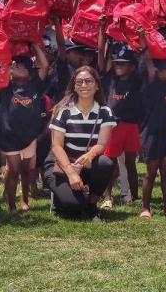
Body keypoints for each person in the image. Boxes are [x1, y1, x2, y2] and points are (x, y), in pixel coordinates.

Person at [46, 66, 116, 221]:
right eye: (79, 82)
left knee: (105, 163)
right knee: (73, 206)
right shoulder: (64, 111)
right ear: (74, 86)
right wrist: (71, 174)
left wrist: (90, 155)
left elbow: (102, 144)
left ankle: (92, 205)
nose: (84, 85)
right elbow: (56, 146)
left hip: (85, 163)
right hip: (61, 164)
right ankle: (62, 198)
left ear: (97, 85)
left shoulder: (105, 112)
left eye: (89, 81)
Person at [0, 44, 49, 213]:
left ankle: (25, 200)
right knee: (13, 172)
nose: (16, 68)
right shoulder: (5, 87)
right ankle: (12, 205)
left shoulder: (35, 86)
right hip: (9, 137)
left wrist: (33, 43)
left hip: (29, 137)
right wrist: (7, 65)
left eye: (21, 66)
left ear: (30, 73)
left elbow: (45, 66)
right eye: (14, 66)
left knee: (27, 171)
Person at [98, 31, 143, 207]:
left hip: (131, 126)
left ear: (132, 66)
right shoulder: (110, 80)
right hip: (112, 126)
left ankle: (135, 197)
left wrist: (139, 38)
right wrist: (105, 34)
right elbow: (102, 55)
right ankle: (107, 197)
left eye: (123, 64)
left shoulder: (137, 81)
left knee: (131, 164)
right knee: (109, 162)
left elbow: (143, 61)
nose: (118, 66)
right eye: (117, 63)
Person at [138, 33, 166, 218]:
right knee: (151, 173)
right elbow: (148, 64)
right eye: (163, 69)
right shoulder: (151, 86)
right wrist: (142, 40)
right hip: (151, 136)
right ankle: (146, 207)